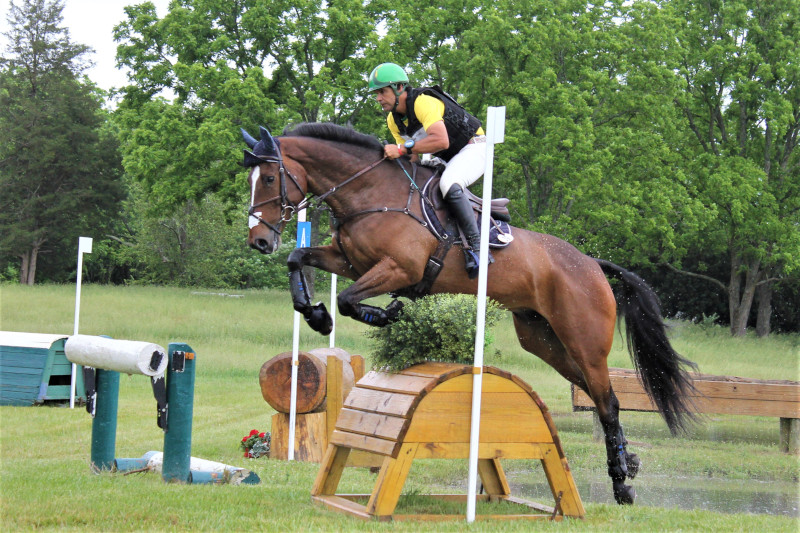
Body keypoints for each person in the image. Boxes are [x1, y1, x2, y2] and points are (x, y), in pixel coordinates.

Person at [367, 62, 487, 278]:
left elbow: (440, 141)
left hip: (475, 147)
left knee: (448, 183)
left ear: (399, 88)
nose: (378, 98)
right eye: (376, 93)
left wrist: (401, 149)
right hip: (450, 158)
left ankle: (478, 248)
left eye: (382, 91)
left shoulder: (423, 102)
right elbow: (411, 158)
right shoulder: (393, 120)